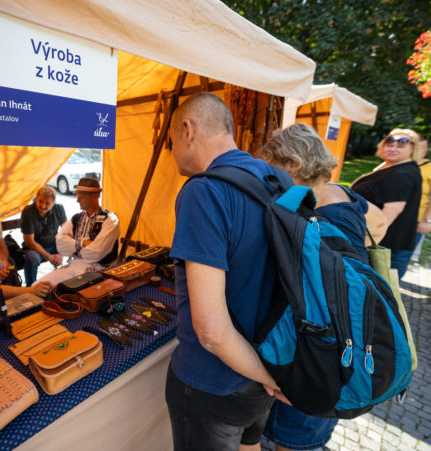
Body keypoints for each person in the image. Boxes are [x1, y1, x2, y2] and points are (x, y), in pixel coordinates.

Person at [165, 92, 287, 451]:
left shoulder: (204, 191)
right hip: (268, 364)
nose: (172, 152)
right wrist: (271, 375)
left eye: (171, 141)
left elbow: (212, 333)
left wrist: (268, 377)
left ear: (187, 130)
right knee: (251, 445)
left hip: (213, 382)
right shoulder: (279, 180)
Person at [256, 123, 373, 451]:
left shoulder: (324, 218)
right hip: (335, 359)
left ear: (292, 164)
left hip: (323, 360)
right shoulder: (342, 195)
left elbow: (328, 306)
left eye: (273, 169)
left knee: (294, 443)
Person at [351, 129, 424, 278]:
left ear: (413, 149)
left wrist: (363, 240)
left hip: (382, 245)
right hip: (382, 242)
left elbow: (391, 211)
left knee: (377, 289)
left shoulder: (401, 174)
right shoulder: (393, 167)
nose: (393, 149)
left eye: (400, 146)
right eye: (389, 145)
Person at [36, 177, 119, 287]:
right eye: (77, 196)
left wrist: (72, 244)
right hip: (73, 264)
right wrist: (83, 243)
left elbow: (95, 254)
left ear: (95, 196)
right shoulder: (76, 218)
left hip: (98, 269)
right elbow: (60, 244)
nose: (77, 200)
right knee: (38, 286)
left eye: (81, 197)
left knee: (72, 291)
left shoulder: (110, 220)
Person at [20, 186, 67, 286]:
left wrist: (61, 253)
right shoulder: (28, 211)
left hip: (54, 244)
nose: (42, 206)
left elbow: (66, 233)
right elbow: (30, 242)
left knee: (76, 247)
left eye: (47, 203)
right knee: (32, 258)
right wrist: (49, 257)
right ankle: (31, 287)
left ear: (53, 203)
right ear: (36, 198)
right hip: (34, 247)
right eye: (40, 201)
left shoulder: (59, 208)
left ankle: (69, 282)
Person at [412, 136, 430, 262]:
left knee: (401, 256)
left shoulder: (429, 167)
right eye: (418, 147)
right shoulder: (397, 163)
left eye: (424, 148)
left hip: (417, 220)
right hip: (392, 218)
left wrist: (427, 221)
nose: (422, 151)